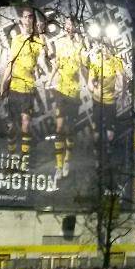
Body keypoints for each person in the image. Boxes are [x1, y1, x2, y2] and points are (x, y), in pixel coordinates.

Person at [0, 8, 47, 156]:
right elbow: (10, 63)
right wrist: (3, 84)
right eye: (25, 17)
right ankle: (11, 156)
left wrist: (41, 34)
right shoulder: (16, 40)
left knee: (26, 123)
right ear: (21, 19)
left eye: (30, 17)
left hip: (28, 88)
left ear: (33, 20)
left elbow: (44, 57)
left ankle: (24, 159)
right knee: (12, 125)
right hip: (14, 87)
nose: (27, 19)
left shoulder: (38, 41)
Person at [50, 16, 87, 177]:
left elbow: (83, 67)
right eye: (66, 24)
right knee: (59, 128)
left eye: (71, 24)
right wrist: (50, 79)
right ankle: (58, 166)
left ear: (75, 27)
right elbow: (57, 63)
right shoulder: (59, 43)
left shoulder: (80, 45)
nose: (68, 27)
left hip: (74, 92)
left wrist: (90, 83)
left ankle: (67, 161)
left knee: (70, 129)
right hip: (61, 90)